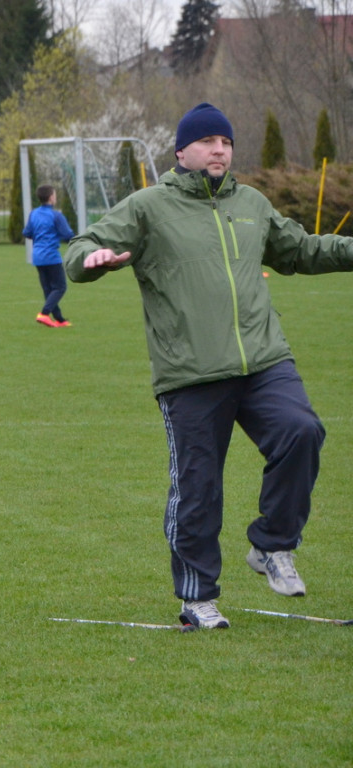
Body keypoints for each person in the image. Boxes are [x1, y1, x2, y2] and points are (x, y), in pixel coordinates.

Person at [64, 102, 351, 629]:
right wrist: (92, 260)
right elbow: (81, 247)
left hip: (263, 361)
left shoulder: (252, 204)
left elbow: (303, 251)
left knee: (303, 431)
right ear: (182, 151)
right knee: (198, 486)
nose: (220, 149)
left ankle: (273, 545)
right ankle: (198, 597)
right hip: (191, 372)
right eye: (208, 141)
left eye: (226, 141)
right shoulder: (149, 206)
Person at [23, 185, 74, 327]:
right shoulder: (56, 215)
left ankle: (59, 319)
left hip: (37, 256)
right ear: (51, 197)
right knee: (60, 287)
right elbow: (67, 234)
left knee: (48, 289)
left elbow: (27, 233)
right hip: (51, 256)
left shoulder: (33, 214)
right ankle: (44, 314)